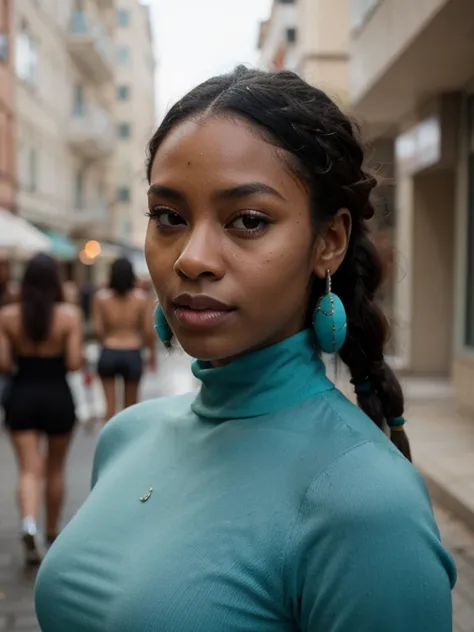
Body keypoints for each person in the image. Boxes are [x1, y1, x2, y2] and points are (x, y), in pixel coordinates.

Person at [35, 67, 456, 630]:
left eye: (248, 220)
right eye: (169, 217)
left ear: (328, 241)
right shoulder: (125, 436)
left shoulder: (367, 503)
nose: (192, 257)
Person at [0, 253, 82, 565]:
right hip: (57, 396)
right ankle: (51, 533)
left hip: (21, 394)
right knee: (55, 469)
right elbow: (74, 363)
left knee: (29, 469)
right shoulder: (69, 316)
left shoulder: (7, 316)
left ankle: (28, 523)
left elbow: (5, 364)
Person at [92, 257, 155, 421]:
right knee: (130, 410)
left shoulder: (101, 298)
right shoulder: (142, 299)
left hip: (109, 350)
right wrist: (152, 354)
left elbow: (98, 329)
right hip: (132, 351)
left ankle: (108, 444)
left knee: (109, 409)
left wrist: (108, 339)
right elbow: (148, 330)